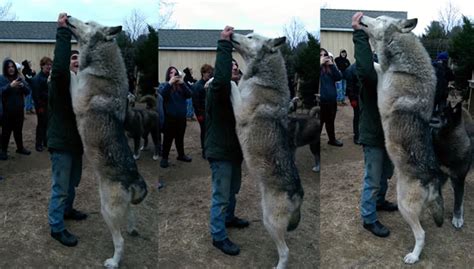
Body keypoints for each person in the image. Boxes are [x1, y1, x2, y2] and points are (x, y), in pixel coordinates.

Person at [352, 12, 398, 238]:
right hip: (372, 134)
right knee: (373, 177)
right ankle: (368, 218)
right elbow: (365, 70)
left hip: (389, 134)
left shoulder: (385, 70)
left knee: (386, 173)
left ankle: (380, 201)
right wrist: (359, 34)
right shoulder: (368, 75)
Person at [205, 26, 249, 256]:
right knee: (221, 195)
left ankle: (229, 218)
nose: (235, 69)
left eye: (236, 67)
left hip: (234, 151)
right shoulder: (217, 88)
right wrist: (224, 44)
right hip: (220, 151)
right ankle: (218, 236)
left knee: (233, 190)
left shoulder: (237, 94)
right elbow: (221, 78)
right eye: (230, 66)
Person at [47, 13, 87, 247]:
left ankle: (67, 210)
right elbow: (60, 67)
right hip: (61, 142)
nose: (76, 60)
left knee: (73, 182)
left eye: (78, 58)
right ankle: (56, 226)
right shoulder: (60, 80)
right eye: (72, 57)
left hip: (76, 143)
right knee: (61, 186)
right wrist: (63, 32)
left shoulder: (82, 84)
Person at [159, 66, 193, 168]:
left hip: (181, 118)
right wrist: (170, 83)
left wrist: (182, 84)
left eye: (175, 73)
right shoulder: (164, 85)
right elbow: (162, 95)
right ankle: (164, 158)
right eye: (171, 73)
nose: (174, 74)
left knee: (180, 137)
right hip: (170, 118)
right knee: (168, 139)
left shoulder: (181, 86)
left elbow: (189, 94)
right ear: (168, 75)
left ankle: (181, 155)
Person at [0, 58, 32, 160]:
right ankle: (3, 151)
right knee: (6, 132)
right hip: (7, 112)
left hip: (19, 111)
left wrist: (23, 86)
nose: (11, 69)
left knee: (18, 131)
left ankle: (20, 148)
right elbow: (1, 91)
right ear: (5, 68)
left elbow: (28, 92)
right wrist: (10, 86)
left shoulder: (19, 78)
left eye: (12, 66)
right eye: (9, 67)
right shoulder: (1, 78)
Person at [320, 48, 343, 147]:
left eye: (325, 54)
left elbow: (338, 77)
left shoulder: (329, 68)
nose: (323, 57)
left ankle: (332, 140)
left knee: (330, 122)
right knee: (319, 124)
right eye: (321, 55)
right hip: (321, 102)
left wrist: (332, 65)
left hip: (331, 101)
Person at [31, 57, 52, 152]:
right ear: (42, 66)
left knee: (47, 124)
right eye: (47, 64)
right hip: (41, 105)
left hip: (49, 105)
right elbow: (36, 95)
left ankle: (45, 141)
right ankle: (38, 144)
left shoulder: (49, 76)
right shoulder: (37, 78)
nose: (49, 66)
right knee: (41, 125)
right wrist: (39, 107)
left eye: (50, 64)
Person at [193, 63, 214, 159]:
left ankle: (210, 149)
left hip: (210, 112)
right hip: (202, 113)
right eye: (208, 73)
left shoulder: (210, 84)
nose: (210, 74)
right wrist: (199, 115)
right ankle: (204, 151)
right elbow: (195, 102)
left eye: (211, 72)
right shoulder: (198, 86)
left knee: (211, 132)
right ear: (203, 73)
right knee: (204, 132)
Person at [345, 63, 361, 145]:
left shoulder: (370, 66)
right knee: (357, 117)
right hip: (357, 97)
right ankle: (357, 136)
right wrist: (352, 99)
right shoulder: (351, 69)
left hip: (367, 97)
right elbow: (349, 87)